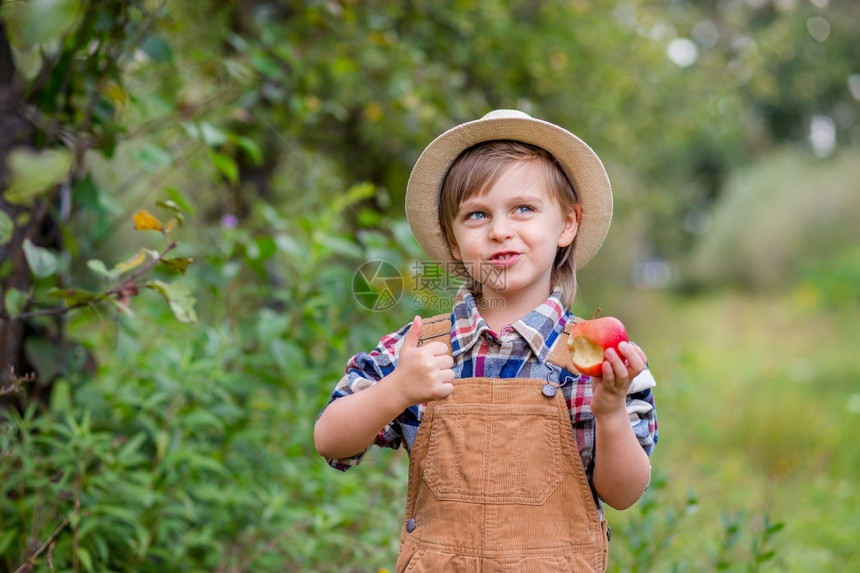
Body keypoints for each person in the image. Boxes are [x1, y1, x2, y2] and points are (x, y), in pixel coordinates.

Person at [314, 109, 658, 572]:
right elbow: (330, 441)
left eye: (524, 209)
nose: (499, 230)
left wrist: (611, 410)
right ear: (454, 242)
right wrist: (396, 389)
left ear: (567, 225)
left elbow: (624, 493)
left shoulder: (597, 362)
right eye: (477, 214)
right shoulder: (420, 352)